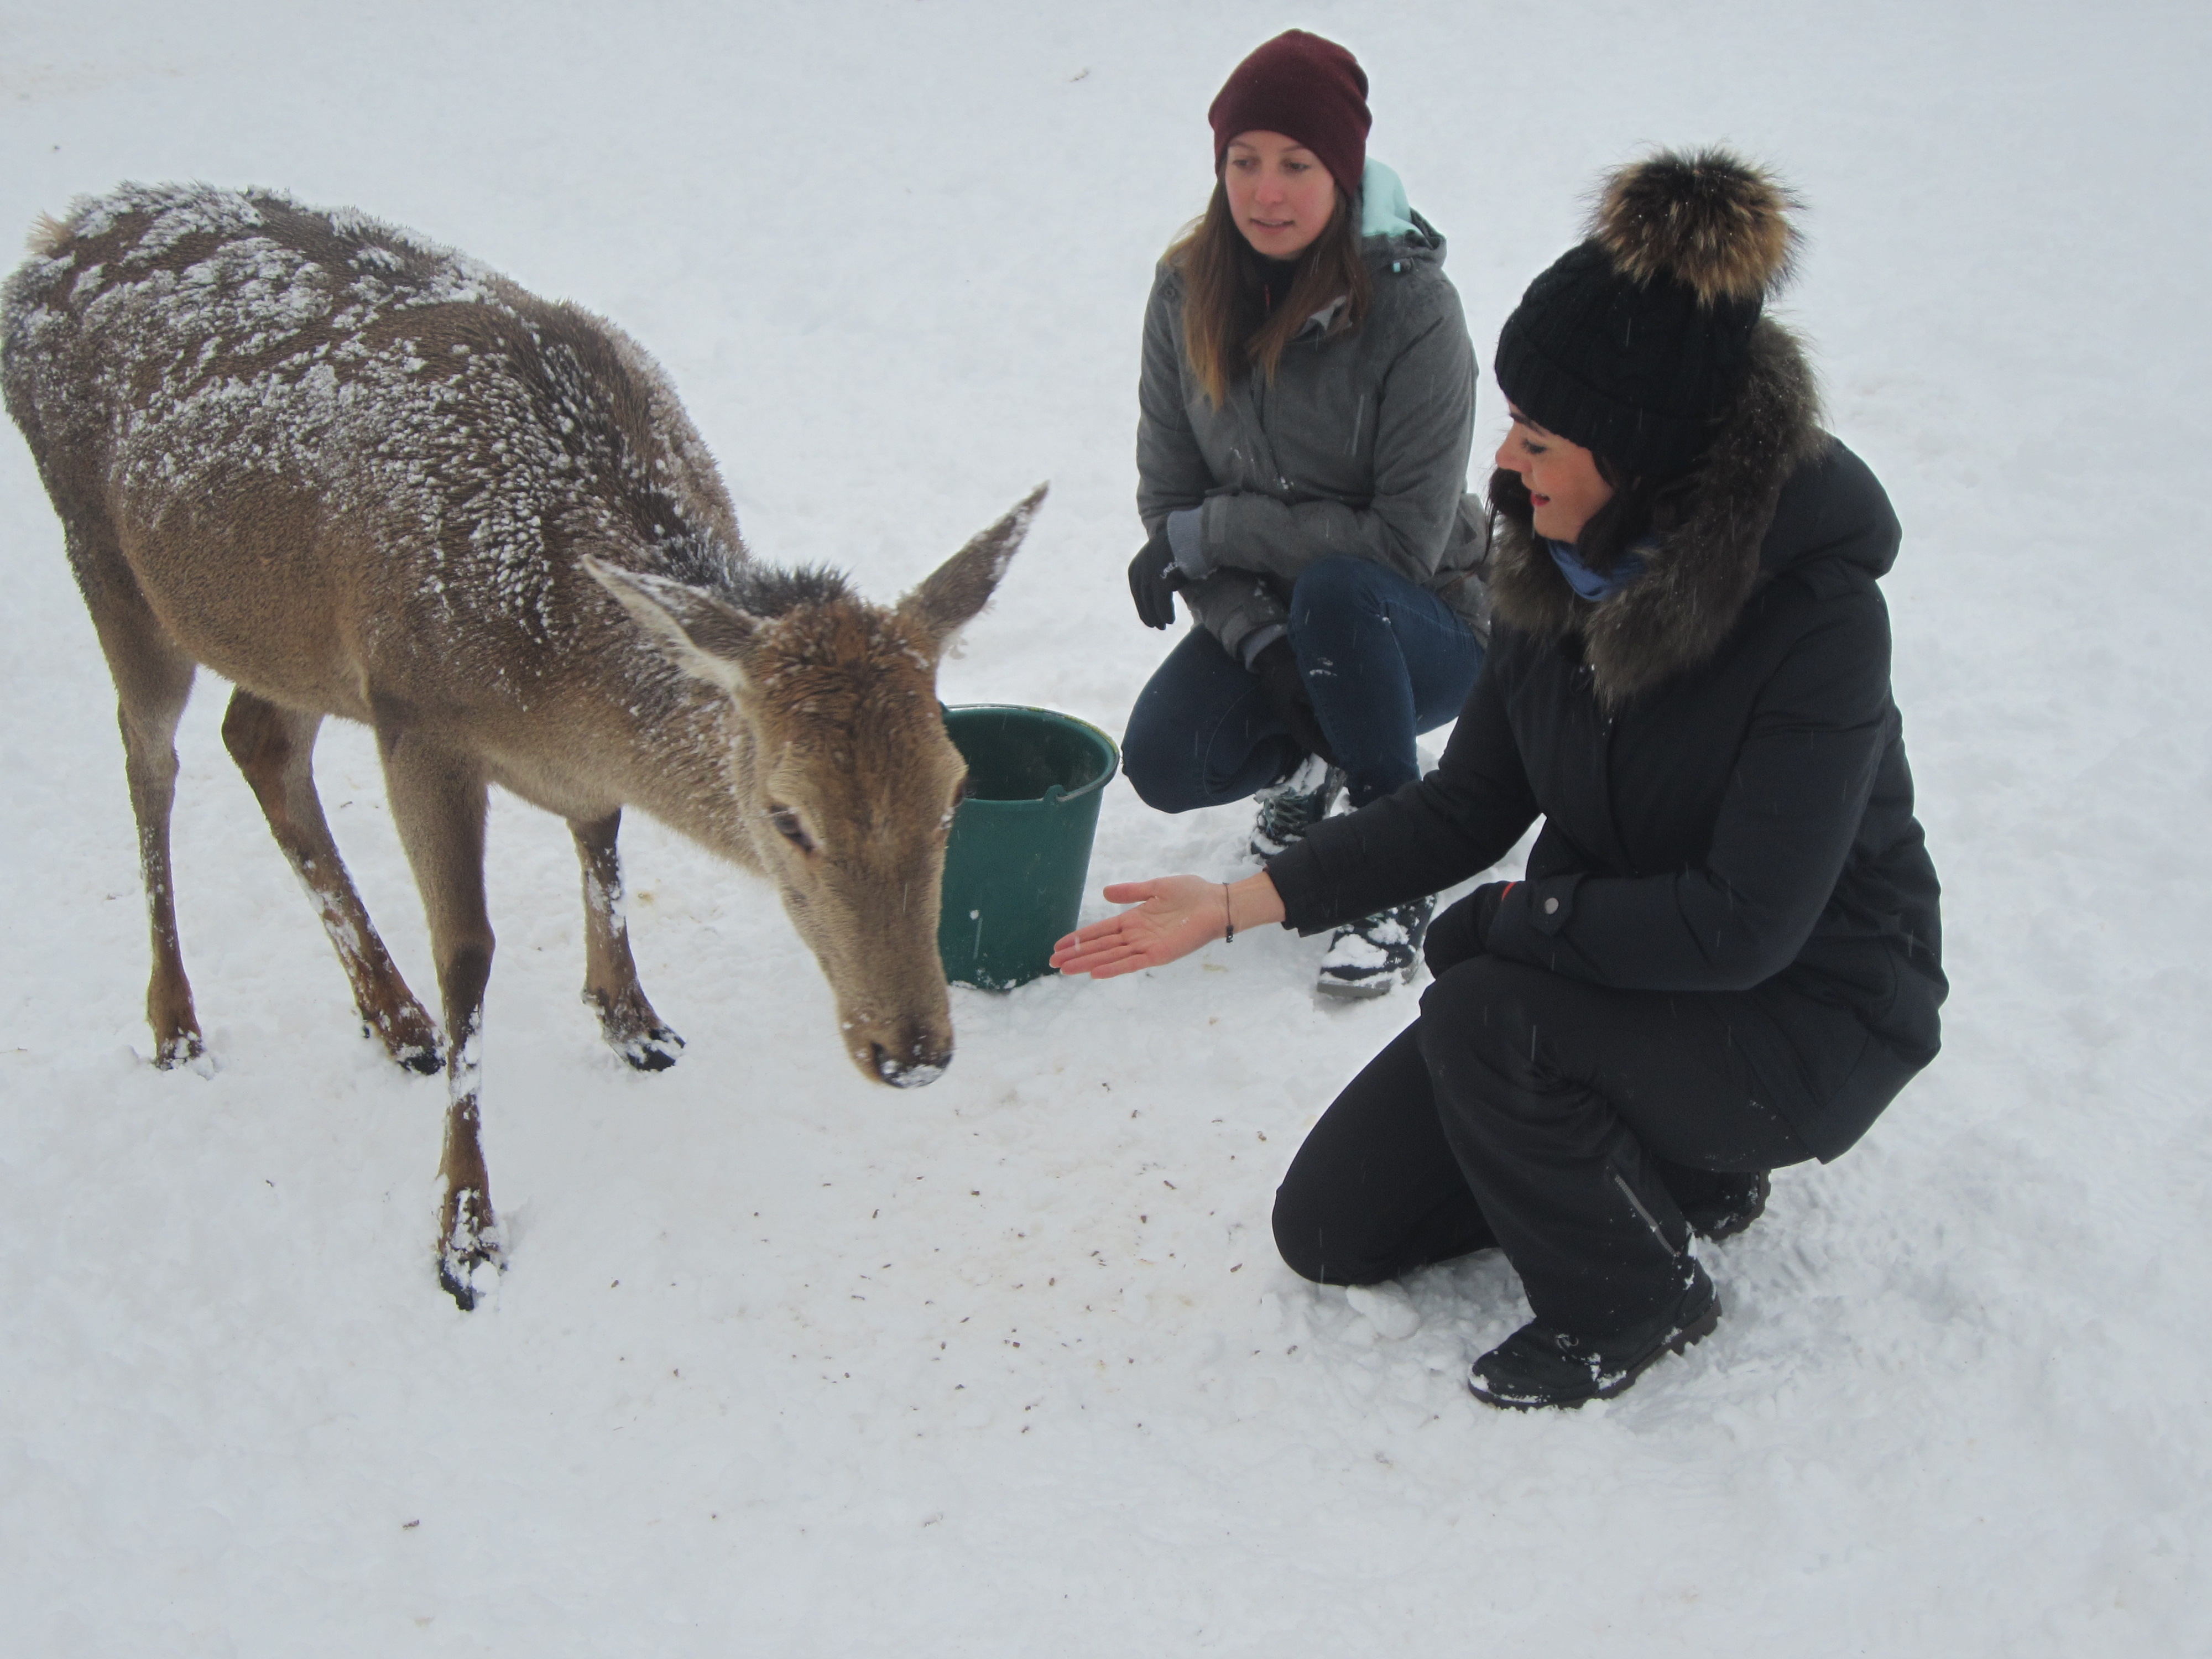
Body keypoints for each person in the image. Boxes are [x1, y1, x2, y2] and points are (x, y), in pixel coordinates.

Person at [1055, 149, 1945, 1410]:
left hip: (1806, 1015)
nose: (1506, 465)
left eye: (1539, 436)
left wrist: (1518, 923)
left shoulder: (1814, 622)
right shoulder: (1554, 566)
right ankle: (1670, 1159)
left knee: (1484, 1004)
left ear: (1641, 457)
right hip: (1626, 974)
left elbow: (1746, 924)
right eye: (1511, 422)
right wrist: (1239, 906)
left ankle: (1634, 1299)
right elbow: (1469, 804)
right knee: (1331, 1229)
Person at [1120, 29, 1490, 998]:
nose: (1266, 191)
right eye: (1244, 162)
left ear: (1346, 170)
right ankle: (1311, 767)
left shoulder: (1417, 316)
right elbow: (1170, 501)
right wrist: (1261, 649)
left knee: (1339, 591)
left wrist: (1217, 535)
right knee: (1165, 758)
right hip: (1287, 625)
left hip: (1426, 626)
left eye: (1296, 163)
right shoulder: (1183, 291)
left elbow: (1402, 547)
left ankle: (1393, 855)